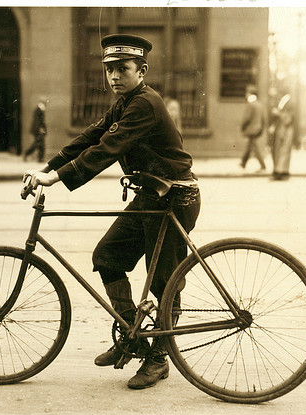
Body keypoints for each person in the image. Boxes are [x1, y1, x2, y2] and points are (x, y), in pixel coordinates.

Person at [23, 34, 200, 390]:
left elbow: (107, 149)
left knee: (164, 283)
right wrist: (46, 168)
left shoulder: (145, 103)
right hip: (151, 195)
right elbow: (90, 137)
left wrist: (57, 178)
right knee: (106, 256)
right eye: (109, 70)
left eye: (123, 69)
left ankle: (159, 358)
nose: (114, 76)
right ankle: (134, 337)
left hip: (174, 198)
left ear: (142, 71)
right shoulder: (125, 103)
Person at [239, 84, 266, 171]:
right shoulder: (259, 104)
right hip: (258, 129)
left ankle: (263, 166)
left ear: (250, 94)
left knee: (254, 147)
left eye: (247, 93)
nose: (246, 95)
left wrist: (242, 126)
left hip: (251, 129)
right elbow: (263, 119)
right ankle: (243, 162)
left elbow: (246, 118)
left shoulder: (250, 105)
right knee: (250, 145)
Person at [271, 93, 294, 181]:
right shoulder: (283, 100)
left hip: (285, 129)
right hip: (281, 128)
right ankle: (280, 170)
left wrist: (278, 114)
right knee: (279, 150)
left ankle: (281, 171)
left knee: (283, 150)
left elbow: (289, 118)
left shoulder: (289, 101)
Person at [23, 97, 48, 162]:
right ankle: (27, 154)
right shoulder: (38, 109)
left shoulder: (40, 109)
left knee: (39, 144)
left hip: (39, 129)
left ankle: (39, 158)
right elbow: (37, 120)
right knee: (38, 144)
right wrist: (40, 128)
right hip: (38, 130)